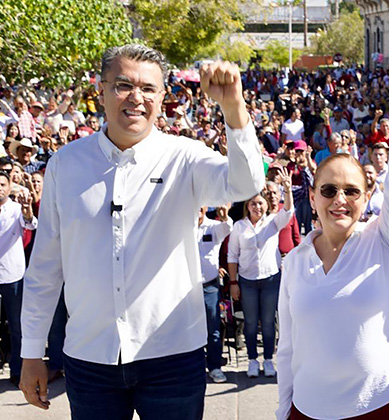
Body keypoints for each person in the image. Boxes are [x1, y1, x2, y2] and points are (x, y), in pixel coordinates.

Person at [19, 44, 265, 418]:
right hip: (90, 357)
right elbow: (45, 266)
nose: (137, 98)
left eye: (149, 88)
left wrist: (234, 107)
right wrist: (32, 352)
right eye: (123, 85)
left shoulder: (185, 156)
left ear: (163, 96)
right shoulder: (65, 164)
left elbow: (245, 184)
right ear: (100, 91)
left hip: (172, 357)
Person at [276, 60, 389, 419]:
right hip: (310, 410)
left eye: (351, 191)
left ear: (367, 197)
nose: (340, 200)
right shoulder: (294, 263)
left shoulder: (384, 242)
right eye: (328, 190)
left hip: (382, 405)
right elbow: (287, 350)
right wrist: (282, 411)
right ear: (312, 198)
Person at [228, 169, 294, 378]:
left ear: (267, 205)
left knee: (268, 322)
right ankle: (252, 360)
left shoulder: (273, 222)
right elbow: (232, 256)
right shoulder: (239, 227)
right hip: (247, 281)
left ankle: (268, 359)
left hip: (270, 279)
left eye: (261, 203)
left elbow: (289, 212)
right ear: (247, 206)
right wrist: (233, 282)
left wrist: (288, 190)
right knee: (250, 322)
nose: (257, 207)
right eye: (253, 203)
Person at [0, 171, 36, 387]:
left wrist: (27, 210)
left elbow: (31, 224)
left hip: (12, 275)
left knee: (17, 325)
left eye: (3, 184)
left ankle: (18, 369)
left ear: (9, 185)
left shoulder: (16, 209)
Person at [197, 205, 233, 384]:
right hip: (186, 289)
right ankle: (195, 368)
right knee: (189, 330)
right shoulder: (181, 226)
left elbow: (227, 228)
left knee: (214, 329)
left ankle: (215, 367)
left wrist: (225, 217)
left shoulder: (213, 227)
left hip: (210, 286)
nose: (197, 208)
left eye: (201, 205)